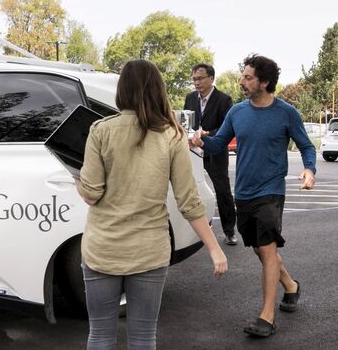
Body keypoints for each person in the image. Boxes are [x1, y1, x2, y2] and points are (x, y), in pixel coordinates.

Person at [75, 59, 228, 350]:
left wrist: (76, 179)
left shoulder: (100, 130)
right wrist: (214, 247)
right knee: (144, 338)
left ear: (123, 90)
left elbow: (91, 194)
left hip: (101, 249)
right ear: (158, 90)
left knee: (99, 335)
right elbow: (189, 201)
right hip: (150, 250)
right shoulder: (172, 135)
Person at [192, 54, 316, 338]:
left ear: (265, 82)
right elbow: (218, 143)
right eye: (243, 76)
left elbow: (307, 147)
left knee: (268, 248)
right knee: (261, 249)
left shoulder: (287, 113)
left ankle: (267, 316)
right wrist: (201, 140)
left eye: (248, 77)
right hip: (244, 192)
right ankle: (291, 286)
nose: (242, 81)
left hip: (271, 191)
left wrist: (309, 170)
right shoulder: (237, 112)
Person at [184, 63, 238, 245]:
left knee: (222, 191)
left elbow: (227, 129)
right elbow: (186, 123)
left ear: (211, 78)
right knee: (188, 190)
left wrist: (207, 135)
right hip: (193, 151)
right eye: (194, 79)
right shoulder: (190, 98)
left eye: (200, 78)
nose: (196, 82)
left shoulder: (224, 100)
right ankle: (191, 230)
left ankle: (229, 231)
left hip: (215, 151)